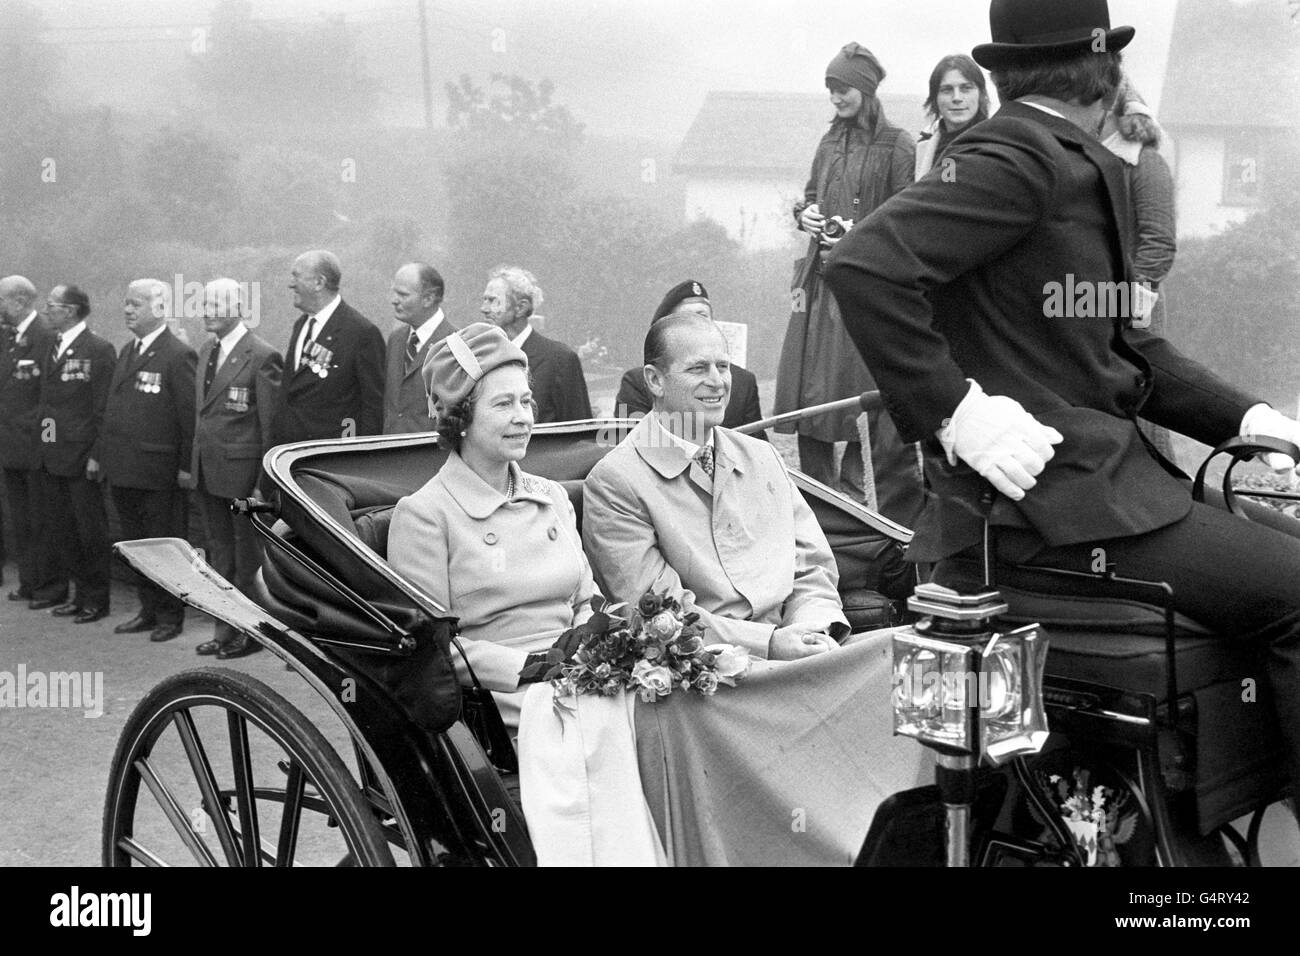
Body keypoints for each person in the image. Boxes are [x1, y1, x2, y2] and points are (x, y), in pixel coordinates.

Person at [823, 0, 1300, 785]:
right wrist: (956, 410)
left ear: (1007, 72)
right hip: (1049, 511)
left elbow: (1121, 343)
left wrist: (1244, 417)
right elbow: (864, 265)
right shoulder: (1017, 157)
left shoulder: (1065, 156)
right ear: (1102, 65)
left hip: (1097, 496)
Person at [585, 312, 846, 660]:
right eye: (698, 369)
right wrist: (769, 643)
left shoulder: (762, 457)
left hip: (806, 649)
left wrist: (813, 628)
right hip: (705, 673)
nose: (718, 382)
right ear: (655, 381)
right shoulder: (617, 481)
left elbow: (813, 567)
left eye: (723, 367)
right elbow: (657, 617)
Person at [387, 322, 597, 730]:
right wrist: (535, 668)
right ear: (460, 418)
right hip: (503, 699)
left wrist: (590, 647)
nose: (522, 418)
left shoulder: (552, 497)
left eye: (526, 401)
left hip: (580, 674)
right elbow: (435, 652)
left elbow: (587, 601)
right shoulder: (425, 514)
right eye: (503, 405)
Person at [773, 41, 924, 527]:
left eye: (842, 88)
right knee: (813, 397)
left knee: (861, 396)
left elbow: (906, 211)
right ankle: (817, 503)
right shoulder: (828, 142)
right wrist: (807, 213)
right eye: (830, 89)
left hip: (867, 286)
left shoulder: (898, 143)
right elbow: (810, 195)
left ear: (865, 89)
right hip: (821, 285)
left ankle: (857, 508)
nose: (835, 97)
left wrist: (861, 235)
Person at [100, 279, 197, 642]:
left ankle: (171, 616)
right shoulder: (128, 350)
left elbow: (189, 418)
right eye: (126, 303)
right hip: (125, 469)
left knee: (164, 546)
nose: (127, 310)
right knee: (136, 546)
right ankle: (148, 609)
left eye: (136, 304)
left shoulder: (178, 353)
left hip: (159, 471)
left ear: (159, 308)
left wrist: (186, 467)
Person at [192, 278, 283, 659]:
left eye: (216, 304)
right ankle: (224, 630)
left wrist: (263, 484)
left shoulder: (262, 355)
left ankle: (254, 633)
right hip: (208, 472)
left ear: (239, 308)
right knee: (219, 557)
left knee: (248, 560)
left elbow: (271, 427)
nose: (207, 311)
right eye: (205, 303)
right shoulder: (205, 351)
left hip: (244, 479)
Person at [1101, 73, 1178, 462]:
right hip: (1091, 306)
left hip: (1134, 312)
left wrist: (1124, 308)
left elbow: (1159, 245)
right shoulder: (1090, 161)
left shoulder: (1144, 164)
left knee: (1144, 409)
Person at [32, 284, 116, 623]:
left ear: (70, 310)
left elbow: (103, 409)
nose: (46, 310)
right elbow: (48, 406)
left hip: (82, 458)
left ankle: (97, 599)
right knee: (64, 531)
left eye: (52, 305)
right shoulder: (52, 345)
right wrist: (45, 445)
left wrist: (97, 453)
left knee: (89, 532)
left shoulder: (98, 349)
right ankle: (78, 595)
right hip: (53, 457)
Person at [268, 250, 384, 450]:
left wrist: (361, 461)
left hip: (329, 459)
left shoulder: (361, 333)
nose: (291, 284)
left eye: (296, 276)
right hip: (290, 456)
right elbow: (288, 395)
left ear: (319, 283)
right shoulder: (301, 325)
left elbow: (373, 406)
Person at [612, 280, 764, 432]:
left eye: (703, 316)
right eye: (697, 368)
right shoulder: (637, 382)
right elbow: (633, 442)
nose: (716, 382)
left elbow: (756, 449)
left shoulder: (744, 382)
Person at [0, 275, 57, 601]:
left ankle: (48, 586)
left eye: (2, 300)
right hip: (11, 447)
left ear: (19, 302)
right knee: (21, 521)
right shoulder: (10, 338)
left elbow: (51, 400)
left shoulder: (45, 337)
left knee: (42, 522)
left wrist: (47, 445)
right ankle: (30, 582)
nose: (0, 307)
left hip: (37, 448)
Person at [479, 266, 592, 424]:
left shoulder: (560, 360)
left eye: (492, 301)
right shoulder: (479, 358)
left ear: (520, 308)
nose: (483, 309)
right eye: (484, 300)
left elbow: (579, 433)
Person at [383, 262, 456, 434]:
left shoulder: (454, 345)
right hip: (389, 453)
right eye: (394, 292)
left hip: (428, 455)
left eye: (402, 295)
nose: (394, 300)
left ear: (428, 299)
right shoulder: (396, 339)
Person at [915, 54, 991, 178]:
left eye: (966, 88)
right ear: (935, 98)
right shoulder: (923, 148)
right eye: (947, 90)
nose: (957, 98)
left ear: (981, 94)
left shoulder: (995, 145)